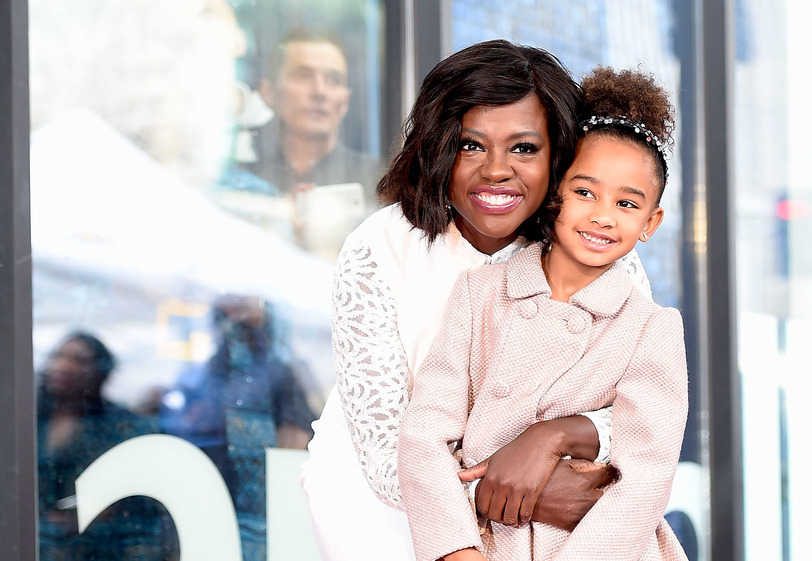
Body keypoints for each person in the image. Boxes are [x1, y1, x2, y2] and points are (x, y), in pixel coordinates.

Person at [301, 40, 652, 560]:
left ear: (560, 155)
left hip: (541, 539)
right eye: (471, 145)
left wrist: (555, 437)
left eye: (524, 148)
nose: (495, 170)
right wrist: (528, 494)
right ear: (439, 146)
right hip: (383, 517)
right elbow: (384, 453)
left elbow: (639, 412)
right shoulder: (380, 247)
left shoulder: (601, 252)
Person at [397, 66, 688, 561]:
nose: (602, 215)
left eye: (626, 202)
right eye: (585, 192)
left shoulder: (651, 329)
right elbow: (424, 433)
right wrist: (456, 550)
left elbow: (644, 479)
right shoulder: (481, 294)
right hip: (487, 544)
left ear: (650, 223)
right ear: (556, 192)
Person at [159, 294, 316, 561]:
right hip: (209, 493)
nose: (233, 329)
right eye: (224, 319)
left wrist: (276, 491)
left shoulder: (280, 371)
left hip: (261, 504)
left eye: (244, 322)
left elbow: (297, 433)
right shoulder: (204, 374)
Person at [237, 26, 382, 246]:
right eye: (303, 76)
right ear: (268, 93)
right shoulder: (243, 181)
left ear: (345, 100)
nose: (319, 92)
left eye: (333, 80)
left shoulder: (380, 182)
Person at [36, 331, 172, 561]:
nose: (63, 365)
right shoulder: (32, 422)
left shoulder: (119, 427)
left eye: (78, 360)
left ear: (100, 371)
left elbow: (132, 504)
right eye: (58, 356)